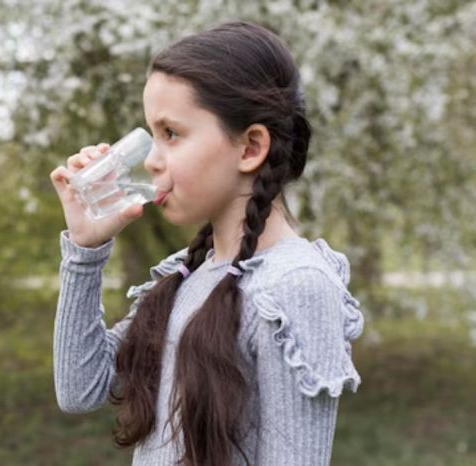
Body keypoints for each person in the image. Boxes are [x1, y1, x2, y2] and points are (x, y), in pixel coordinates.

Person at [49, 21, 364, 466]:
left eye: (171, 134)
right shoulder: (190, 271)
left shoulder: (294, 287)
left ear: (250, 147)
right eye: (151, 135)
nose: (152, 161)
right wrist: (84, 252)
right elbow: (80, 390)